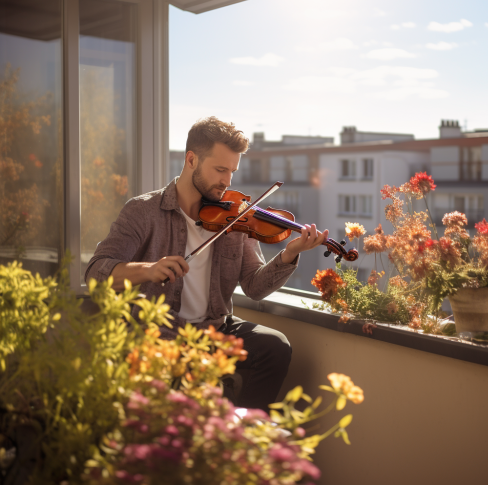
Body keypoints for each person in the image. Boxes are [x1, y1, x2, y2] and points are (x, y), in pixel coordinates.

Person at [85, 116, 328, 412]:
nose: (227, 181)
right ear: (191, 160)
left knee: (274, 346)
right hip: (162, 333)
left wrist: (289, 253)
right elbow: (97, 271)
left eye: (232, 172)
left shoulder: (235, 217)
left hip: (215, 330)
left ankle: (244, 432)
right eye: (220, 169)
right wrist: (147, 270)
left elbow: (253, 286)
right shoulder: (144, 211)